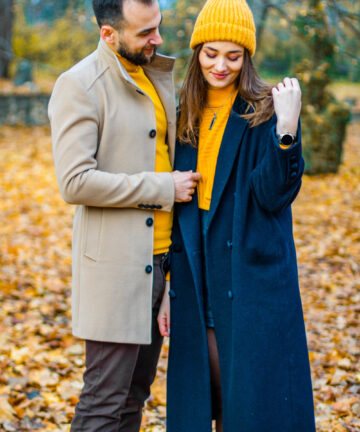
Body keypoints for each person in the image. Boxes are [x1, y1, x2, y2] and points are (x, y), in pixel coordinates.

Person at [157, 0, 316, 430]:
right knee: (202, 393)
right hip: (197, 269)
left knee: (247, 400)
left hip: (250, 272)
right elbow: (175, 207)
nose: (221, 66)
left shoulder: (264, 109)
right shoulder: (183, 113)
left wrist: (287, 128)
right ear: (197, 52)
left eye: (234, 55)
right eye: (211, 53)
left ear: (247, 57)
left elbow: (273, 194)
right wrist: (169, 284)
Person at [48, 0, 200, 430]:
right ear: (108, 34)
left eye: (158, 26)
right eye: (145, 32)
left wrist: (170, 274)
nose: (158, 39)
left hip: (160, 265)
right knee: (103, 404)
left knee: (134, 398)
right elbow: (75, 181)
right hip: (114, 272)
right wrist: (162, 187)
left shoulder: (154, 74)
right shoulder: (79, 85)